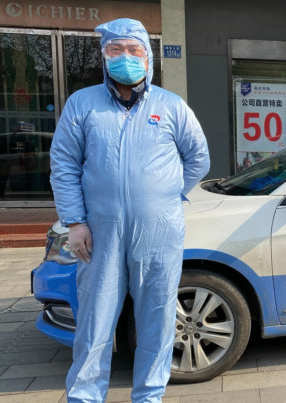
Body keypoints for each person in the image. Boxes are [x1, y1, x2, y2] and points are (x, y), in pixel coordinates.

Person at [49, 18, 210, 402]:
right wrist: (75, 222)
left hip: (159, 231)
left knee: (157, 317)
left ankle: (149, 395)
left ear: (148, 57)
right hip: (100, 232)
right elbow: (64, 164)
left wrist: (168, 195)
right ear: (104, 56)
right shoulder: (82, 104)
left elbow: (198, 158)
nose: (125, 57)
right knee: (95, 320)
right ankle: (84, 396)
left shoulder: (171, 106)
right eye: (115, 49)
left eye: (134, 49)